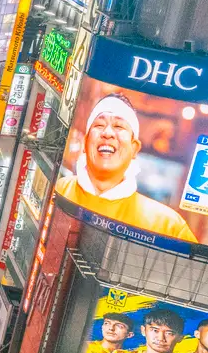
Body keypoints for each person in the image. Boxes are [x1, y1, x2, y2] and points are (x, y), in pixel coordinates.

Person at [54, 93, 196, 243]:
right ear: (85, 141)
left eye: (119, 126)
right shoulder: (57, 189)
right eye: (99, 125)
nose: (107, 133)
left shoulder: (168, 225)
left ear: (135, 148)